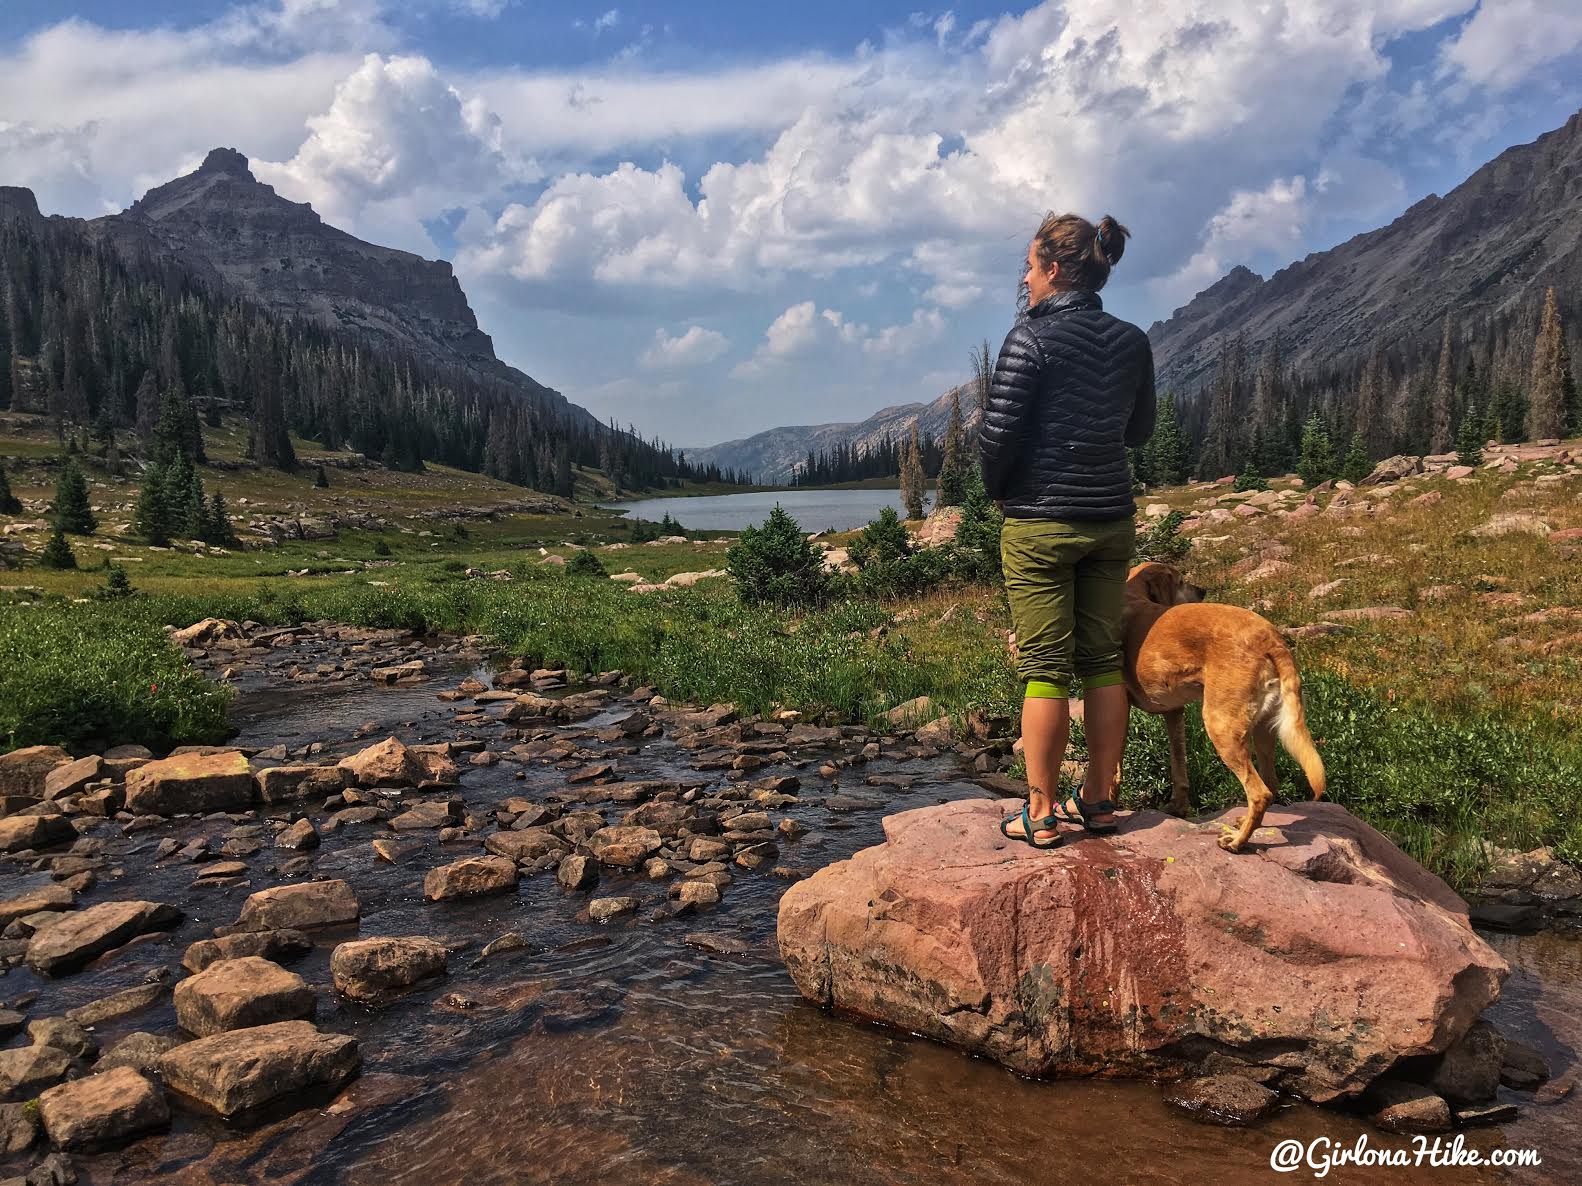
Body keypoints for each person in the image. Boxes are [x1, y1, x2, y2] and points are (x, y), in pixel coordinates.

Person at [979, 212, 1156, 847]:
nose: (1025, 279)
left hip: (1040, 523)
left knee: (1046, 667)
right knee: (1103, 661)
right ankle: (1102, 801)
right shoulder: (1132, 340)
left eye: (1029, 266)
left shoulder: (1029, 340)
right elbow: (1138, 434)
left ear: (1054, 269)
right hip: (1110, 519)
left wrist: (1002, 493)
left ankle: (1042, 811)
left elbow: (998, 437)